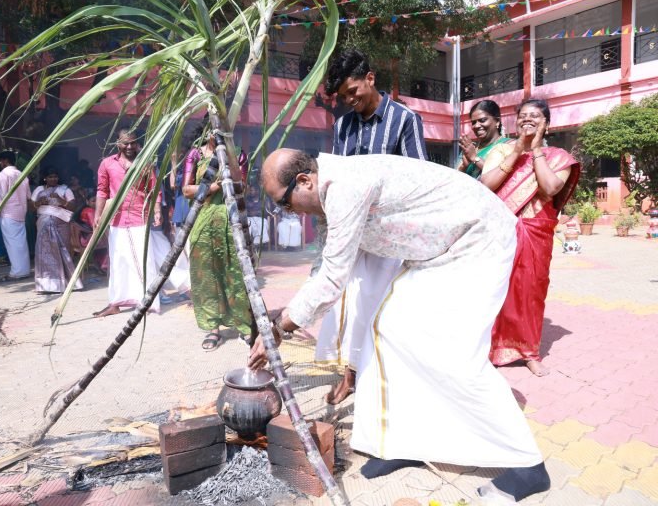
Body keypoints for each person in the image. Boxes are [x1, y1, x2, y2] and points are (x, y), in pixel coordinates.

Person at [249, 149, 550, 503]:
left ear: (304, 181)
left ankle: (528, 465)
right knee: (390, 329)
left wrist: (279, 329)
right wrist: (281, 323)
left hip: (478, 239)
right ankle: (407, 443)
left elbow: (332, 278)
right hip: (440, 252)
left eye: (284, 203)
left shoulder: (345, 188)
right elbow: (325, 266)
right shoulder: (330, 190)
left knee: (454, 353)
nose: (289, 212)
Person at [319, 48, 428, 404]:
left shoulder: (405, 120)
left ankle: (384, 379)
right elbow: (336, 180)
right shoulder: (342, 126)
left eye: (353, 91)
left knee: (381, 307)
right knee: (347, 304)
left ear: (370, 78)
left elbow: (418, 180)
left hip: (390, 236)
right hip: (352, 234)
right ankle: (349, 374)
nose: (350, 101)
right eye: (343, 97)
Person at [480, 99, 580, 377]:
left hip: (536, 234)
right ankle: (489, 349)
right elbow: (486, 185)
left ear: (547, 124)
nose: (527, 119)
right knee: (495, 289)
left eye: (535, 116)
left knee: (530, 294)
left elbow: (550, 187)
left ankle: (529, 352)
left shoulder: (558, 157)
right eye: (522, 115)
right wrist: (517, 151)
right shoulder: (502, 150)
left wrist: (535, 150)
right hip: (501, 231)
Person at [93, 128, 185, 317]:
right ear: (118, 143)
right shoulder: (107, 164)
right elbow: (102, 190)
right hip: (116, 220)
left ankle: (148, 302)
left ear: (137, 143)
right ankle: (115, 302)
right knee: (118, 262)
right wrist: (98, 214)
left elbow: (154, 190)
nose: (129, 146)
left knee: (145, 262)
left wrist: (157, 211)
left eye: (132, 143)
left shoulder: (145, 164)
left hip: (139, 217)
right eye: (125, 143)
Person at [182, 132, 254, 351]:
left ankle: (244, 326)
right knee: (206, 275)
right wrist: (213, 187)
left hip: (231, 222)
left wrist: (231, 177)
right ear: (207, 130)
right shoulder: (196, 154)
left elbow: (243, 187)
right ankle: (213, 328)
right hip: (202, 222)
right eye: (213, 128)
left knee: (236, 273)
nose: (216, 132)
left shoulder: (238, 154)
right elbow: (186, 190)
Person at [31, 169, 83, 294]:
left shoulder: (64, 190)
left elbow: (73, 206)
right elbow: (30, 207)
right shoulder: (39, 190)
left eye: (55, 176)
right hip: (43, 223)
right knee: (45, 253)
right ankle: (47, 286)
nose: (53, 179)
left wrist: (61, 201)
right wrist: (39, 203)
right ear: (45, 178)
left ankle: (67, 283)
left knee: (62, 251)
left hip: (61, 225)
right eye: (50, 177)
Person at [0, 150, 31, 282]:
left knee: (12, 244)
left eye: (1, 160)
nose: (0, 163)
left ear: (5, 160)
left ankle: (17, 272)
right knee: (20, 243)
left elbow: (1, 196)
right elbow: (28, 196)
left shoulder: (4, 174)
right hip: (21, 212)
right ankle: (24, 270)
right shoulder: (22, 174)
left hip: (8, 213)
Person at [457, 99, 512, 179]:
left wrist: (475, 158)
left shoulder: (509, 146)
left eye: (482, 120)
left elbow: (502, 175)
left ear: (497, 121)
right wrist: (463, 166)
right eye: (473, 122)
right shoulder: (470, 149)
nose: (476, 126)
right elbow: (453, 179)